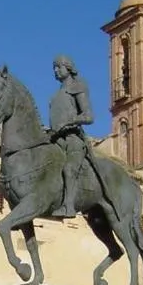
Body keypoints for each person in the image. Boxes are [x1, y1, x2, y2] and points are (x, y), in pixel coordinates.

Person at [47, 55, 95, 218]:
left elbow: (88, 116)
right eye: (54, 67)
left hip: (73, 139)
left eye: (58, 67)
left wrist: (70, 121)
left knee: (69, 169)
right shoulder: (55, 96)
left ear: (68, 68)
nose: (55, 70)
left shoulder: (77, 86)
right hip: (56, 139)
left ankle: (68, 206)